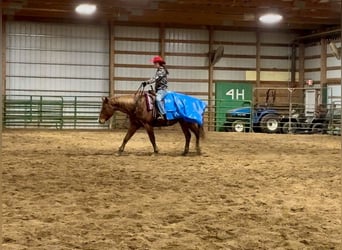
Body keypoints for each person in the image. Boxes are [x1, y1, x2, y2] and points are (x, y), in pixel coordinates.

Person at [142, 56, 169, 120]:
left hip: (162, 90)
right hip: (158, 90)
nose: (154, 65)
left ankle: (163, 114)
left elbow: (155, 78)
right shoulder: (159, 70)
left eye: (154, 63)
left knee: (158, 99)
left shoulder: (162, 71)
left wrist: (147, 82)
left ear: (158, 63)